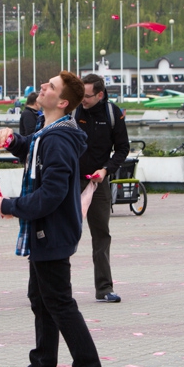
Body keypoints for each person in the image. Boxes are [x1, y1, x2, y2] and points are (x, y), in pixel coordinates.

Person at [0, 71, 103, 367]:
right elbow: (32, 148)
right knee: (43, 302)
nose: (43, 87)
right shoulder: (48, 131)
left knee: (60, 305)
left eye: (50, 86)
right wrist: (14, 141)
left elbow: (51, 193)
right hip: (45, 234)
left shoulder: (58, 139)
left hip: (51, 233)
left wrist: (11, 205)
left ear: (63, 101)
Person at [74, 73, 130, 303]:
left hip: (98, 182)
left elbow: (123, 148)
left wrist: (106, 170)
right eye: (80, 95)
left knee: (101, 235)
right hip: (70, 180)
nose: (82, 100)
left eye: (87, 96)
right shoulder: (73, 111)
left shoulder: (112, 113)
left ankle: (104, 288)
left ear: (100, 94)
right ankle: (53, 288)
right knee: (63, 233)